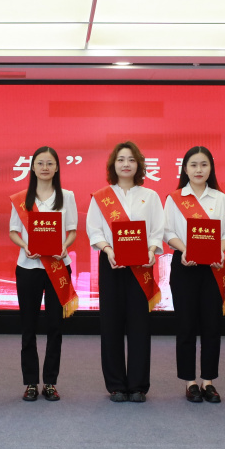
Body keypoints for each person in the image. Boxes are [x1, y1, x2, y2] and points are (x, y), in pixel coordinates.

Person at [86, 141, 164, 403]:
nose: (126, 164)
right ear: (113, 165)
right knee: (111, 325)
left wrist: (151, 251)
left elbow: (157, 230)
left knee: (140, 325)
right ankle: (116, 385)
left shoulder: (150, 196)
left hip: (141, 267)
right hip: (111, 264)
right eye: (121, 159)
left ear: (138, 165)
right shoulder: (102, 196)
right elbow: (94, 229)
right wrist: (108, 250)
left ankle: (138, 385)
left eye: (131, 159)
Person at [164, 146, 225, 403]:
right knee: (186, 325)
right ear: (185, 169)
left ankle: (208, 381)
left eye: (204, 165)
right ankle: (190, 382)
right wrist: (185, 250)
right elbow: (167, 232)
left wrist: (219, 250)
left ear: (210, 169)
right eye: (193, 165)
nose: (198, 170)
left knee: (211, 326)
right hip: (184, 265)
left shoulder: (220, 198)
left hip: (212, 268)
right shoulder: (174, 199)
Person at [9, 146, 78, 402]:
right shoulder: (21, 198)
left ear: (57, 167)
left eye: (50, 163)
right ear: (32, 167)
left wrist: (64, 246)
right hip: (28, 267)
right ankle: (30, 382)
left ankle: (50, 382)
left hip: (58, 266)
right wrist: (25, 246)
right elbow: (13, 231)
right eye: (40, 163)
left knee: (54, 326)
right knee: (28, 326)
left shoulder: (67, 196)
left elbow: (72, 230)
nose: (45, 167)